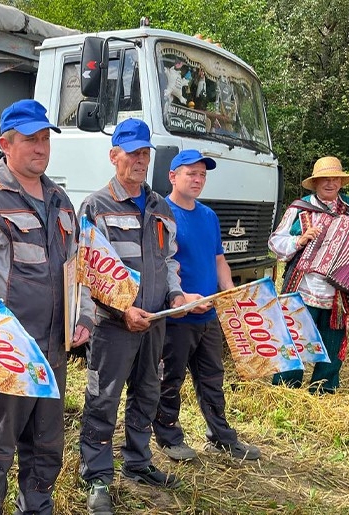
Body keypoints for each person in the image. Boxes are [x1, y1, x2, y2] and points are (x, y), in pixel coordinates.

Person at [0, 99, 97, 515]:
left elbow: (78, 267)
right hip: (6, 354)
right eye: (31, 139)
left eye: (46, 138)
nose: (41, 147)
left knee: (46, 448)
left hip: (53, 351)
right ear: (6, 144)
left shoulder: (60, 200)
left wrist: (82, 315)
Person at [76, 119, 199, 512]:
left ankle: (138, 461)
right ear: (114, 156)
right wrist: (122, 309)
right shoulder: (97, 206)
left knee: (147, 393)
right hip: (114, 325)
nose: (140, 160)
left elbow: (168, 262)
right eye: (132, 153)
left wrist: (178, 297)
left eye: (145, 153)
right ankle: (96, 475)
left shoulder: (162, 207)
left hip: (156, 323)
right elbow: (89, 270)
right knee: (103, 397)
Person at [154, 149, 262, 461]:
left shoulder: (209, 216)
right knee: (169, 379)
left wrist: (229, 292)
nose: (198, 179)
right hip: (177, 317)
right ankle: (168, 436)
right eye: (191, 173)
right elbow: (160, 264)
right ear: (173, 176)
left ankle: (221, 436)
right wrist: (183, 300)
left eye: (202, 174)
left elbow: (218, 260)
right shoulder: (162, 212)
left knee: (213, 378)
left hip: (209, 315)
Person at [267, 156, 349, 394]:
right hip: (303, 288)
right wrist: (299, 239)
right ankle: (285, 387)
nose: (330, 183)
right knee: (294, 336)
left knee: (333, 341)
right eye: (324, 179)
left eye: (335, 178)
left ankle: (323, 388)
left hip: (339, 293)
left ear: (341, 182)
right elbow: (275, 242)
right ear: (315, 183)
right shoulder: (299, 208)